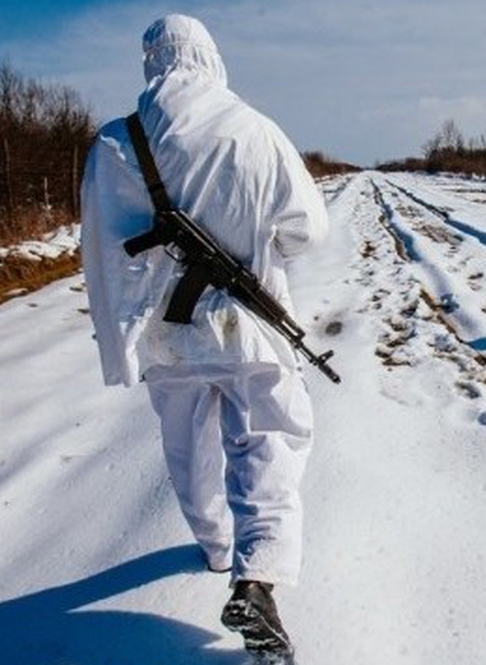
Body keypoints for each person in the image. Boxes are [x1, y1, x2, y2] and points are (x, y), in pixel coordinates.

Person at [80, 14, 328, 662]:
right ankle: (259, 574)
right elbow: (308, 230)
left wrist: (121, 331)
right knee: (269, 441)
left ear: (152, 62)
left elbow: (98, 252)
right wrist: (257, 236)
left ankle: (217, 546)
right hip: (246, 330)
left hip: (166, 335)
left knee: (187, 450)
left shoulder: (112, 145)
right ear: (210, 59)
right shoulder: (255, 129)